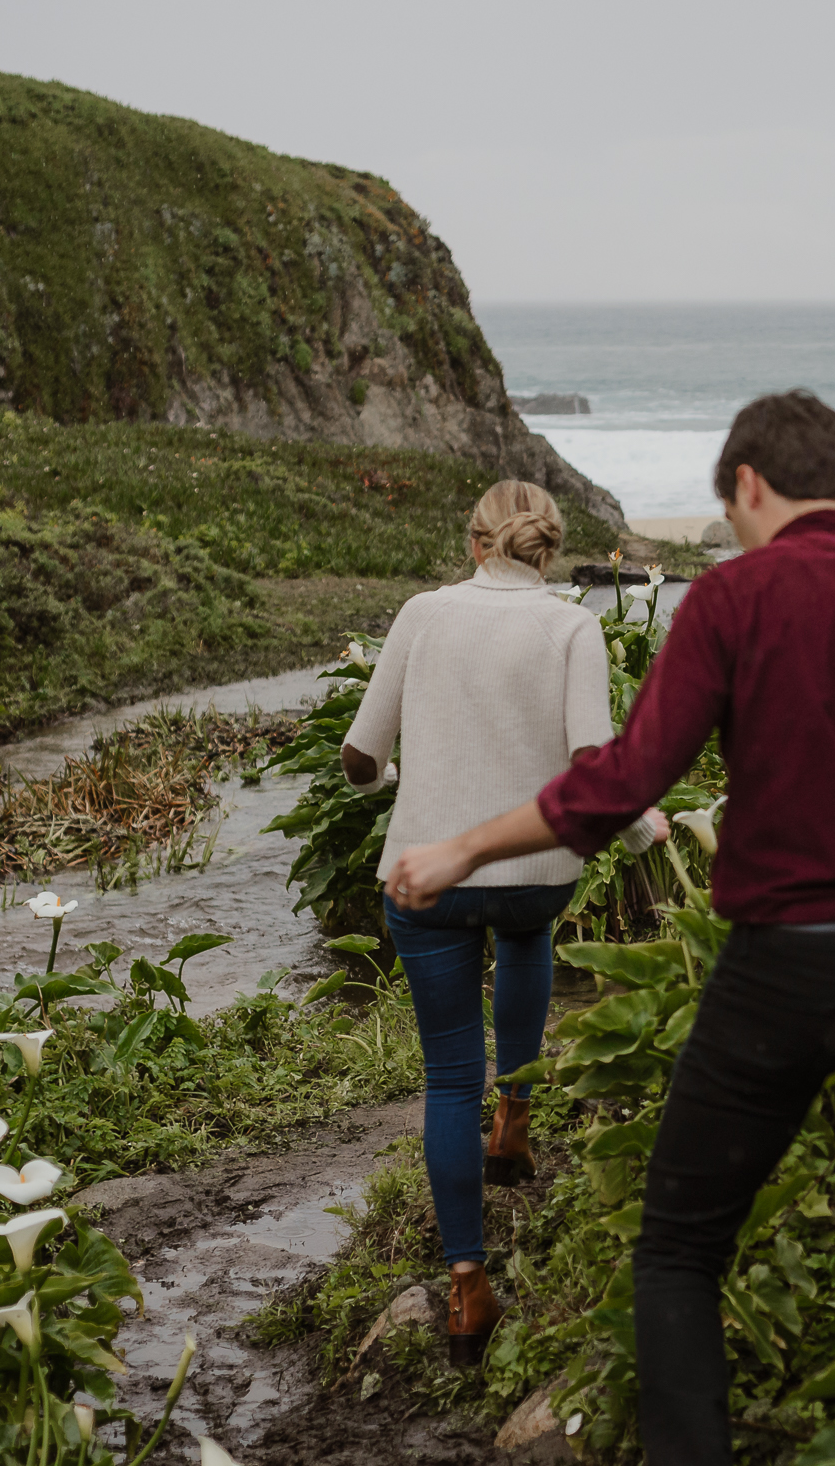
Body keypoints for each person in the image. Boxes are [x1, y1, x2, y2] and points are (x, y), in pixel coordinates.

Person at [383, 392, 835, 1462]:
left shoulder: (733, 599)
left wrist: (466, 848)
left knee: (678, 1248)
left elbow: (620, 780)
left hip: (782, 971)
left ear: (749, 487)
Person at [341, 478, 664, 1367]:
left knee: (449, 1075)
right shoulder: (574, 626)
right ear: (547, 550)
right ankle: (515, 1118)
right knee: (528, 935)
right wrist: (642, 828)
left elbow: (360, 753)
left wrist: (383, 788)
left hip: (427, 878)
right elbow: (593, 761)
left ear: (473, 540)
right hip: (537, 872)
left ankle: (466, 1285)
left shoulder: (421, 613)